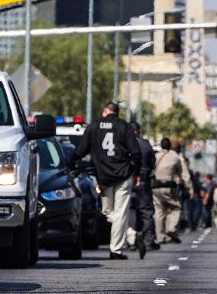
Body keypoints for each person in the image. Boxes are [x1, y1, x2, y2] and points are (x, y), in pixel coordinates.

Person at [73, 103, 141, 260]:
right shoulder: (124, 126)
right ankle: (130, 237)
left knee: (108, 212)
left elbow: (81, 150)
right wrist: (136, 173)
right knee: (119, 213)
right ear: (117, 113)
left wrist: (70, 163)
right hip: (123, 175)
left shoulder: (94, 126)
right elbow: (136, 152)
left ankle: (116, 249)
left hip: (104, 177)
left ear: (105, 111)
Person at [129, 120, 159, 254]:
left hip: (128, 180)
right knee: (146, 212)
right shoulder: (146, 145)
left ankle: (131, 240)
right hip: (143, 181)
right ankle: (147, 241)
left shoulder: (124, 144)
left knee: (130, 211)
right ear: (138, 131)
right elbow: (153, 163)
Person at [152, 138, 186, 243]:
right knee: (177, 208)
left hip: (155, 187)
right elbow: (182, 173)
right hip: (168, 188)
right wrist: (187, 186)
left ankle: (160, 237)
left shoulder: (155, 156)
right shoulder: (175, 157)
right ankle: (171, 229)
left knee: (159, 212)